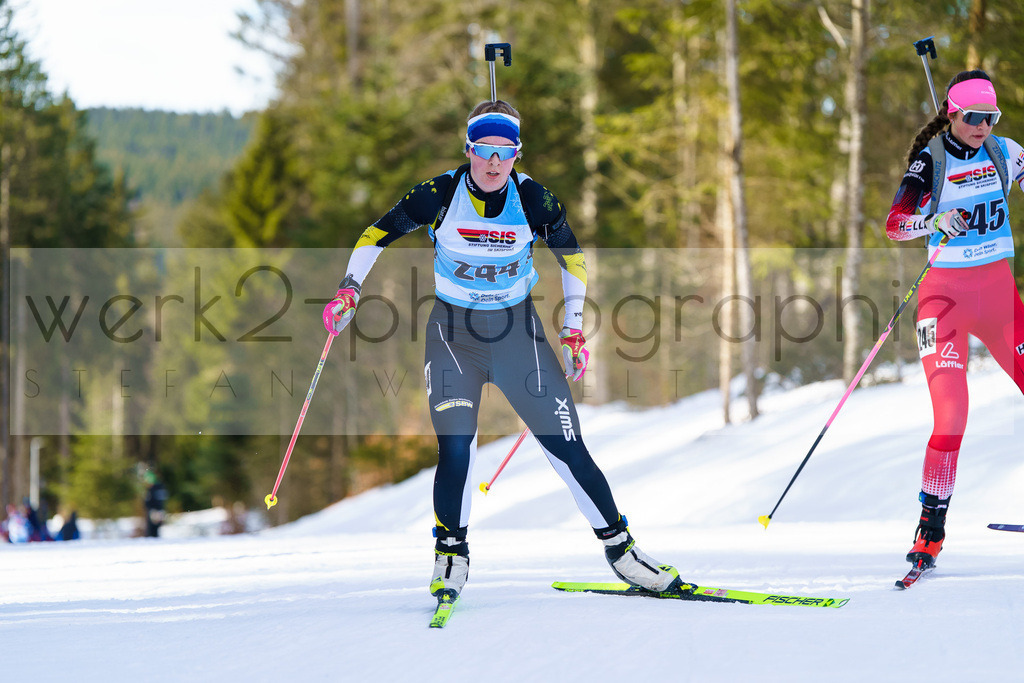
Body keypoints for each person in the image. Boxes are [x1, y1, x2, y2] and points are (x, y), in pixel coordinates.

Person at [323, 100, 682, 601]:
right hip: (453, 335)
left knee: (566, 447)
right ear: (469, 149)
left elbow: (573, 259)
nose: (494, 162)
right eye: (484, 150)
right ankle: (451, 555)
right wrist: (349, 289)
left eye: (505, 152)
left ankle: (624, 554)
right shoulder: (439, 194)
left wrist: (573, 329)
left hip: (519, 336)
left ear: (517, 153)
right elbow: (375, 235)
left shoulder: (534, 199)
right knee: (456, 446)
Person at [885, 70, 1024, 569]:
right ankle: (930, 530)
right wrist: (933, 220)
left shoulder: (1005, 153)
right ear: (952, 112)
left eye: (991, 117)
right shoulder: (930, 163)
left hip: (999, 297)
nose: (983, 126)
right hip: (943, 300)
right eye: (973, 117)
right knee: (951, 416)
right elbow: (895, 225)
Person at [143, 470, 169, 537]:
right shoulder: (161, 487)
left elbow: (149, 500)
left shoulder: (152, 489)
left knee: (152, 530)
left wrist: (148, 506)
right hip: (160, 510)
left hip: (154, 511)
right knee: (157, 529)